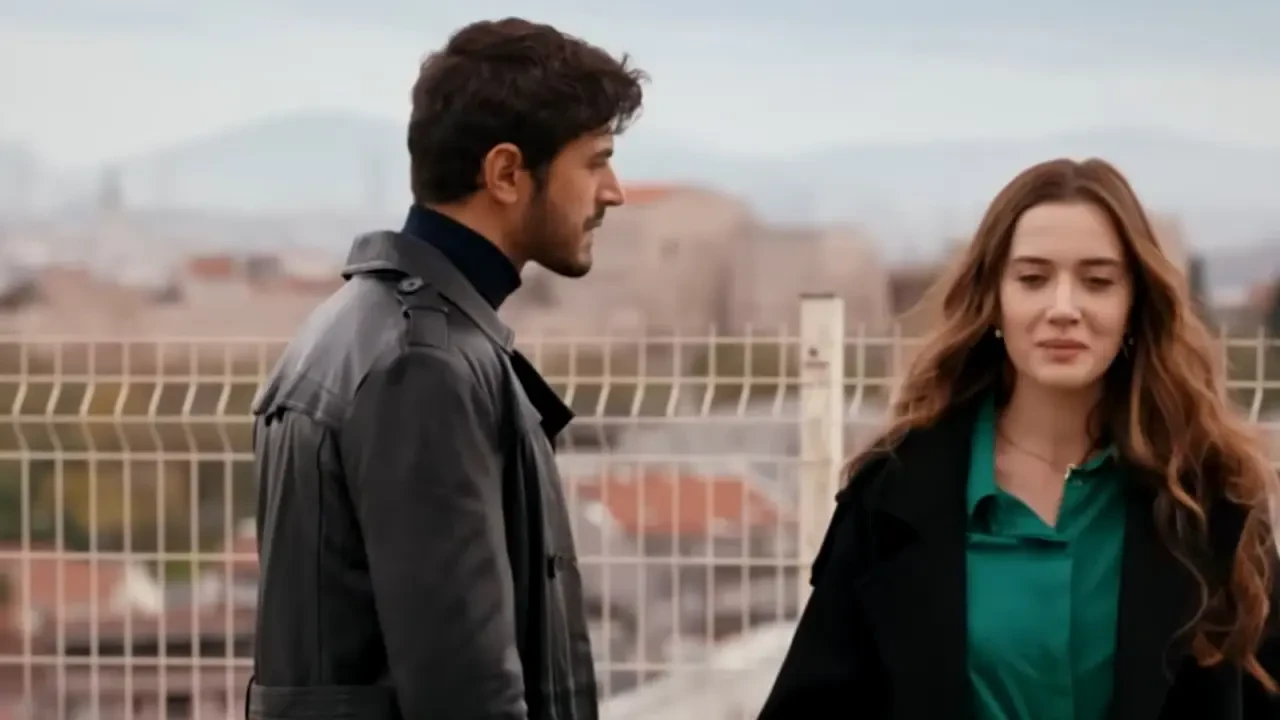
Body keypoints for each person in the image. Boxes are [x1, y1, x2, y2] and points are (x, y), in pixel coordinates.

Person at [758, 158, 1280, 719]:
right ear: (995, 299)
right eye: (1033, 279)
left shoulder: (1208, 499)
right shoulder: (892, 497)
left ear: (1134, 305)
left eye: (1098, 281)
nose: (1063, 309)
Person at [246, 18, 646, 720]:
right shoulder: (422, 368)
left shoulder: (362, 328)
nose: (613, 191)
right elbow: (465, 692)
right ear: (506, 174)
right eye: (595, 162)